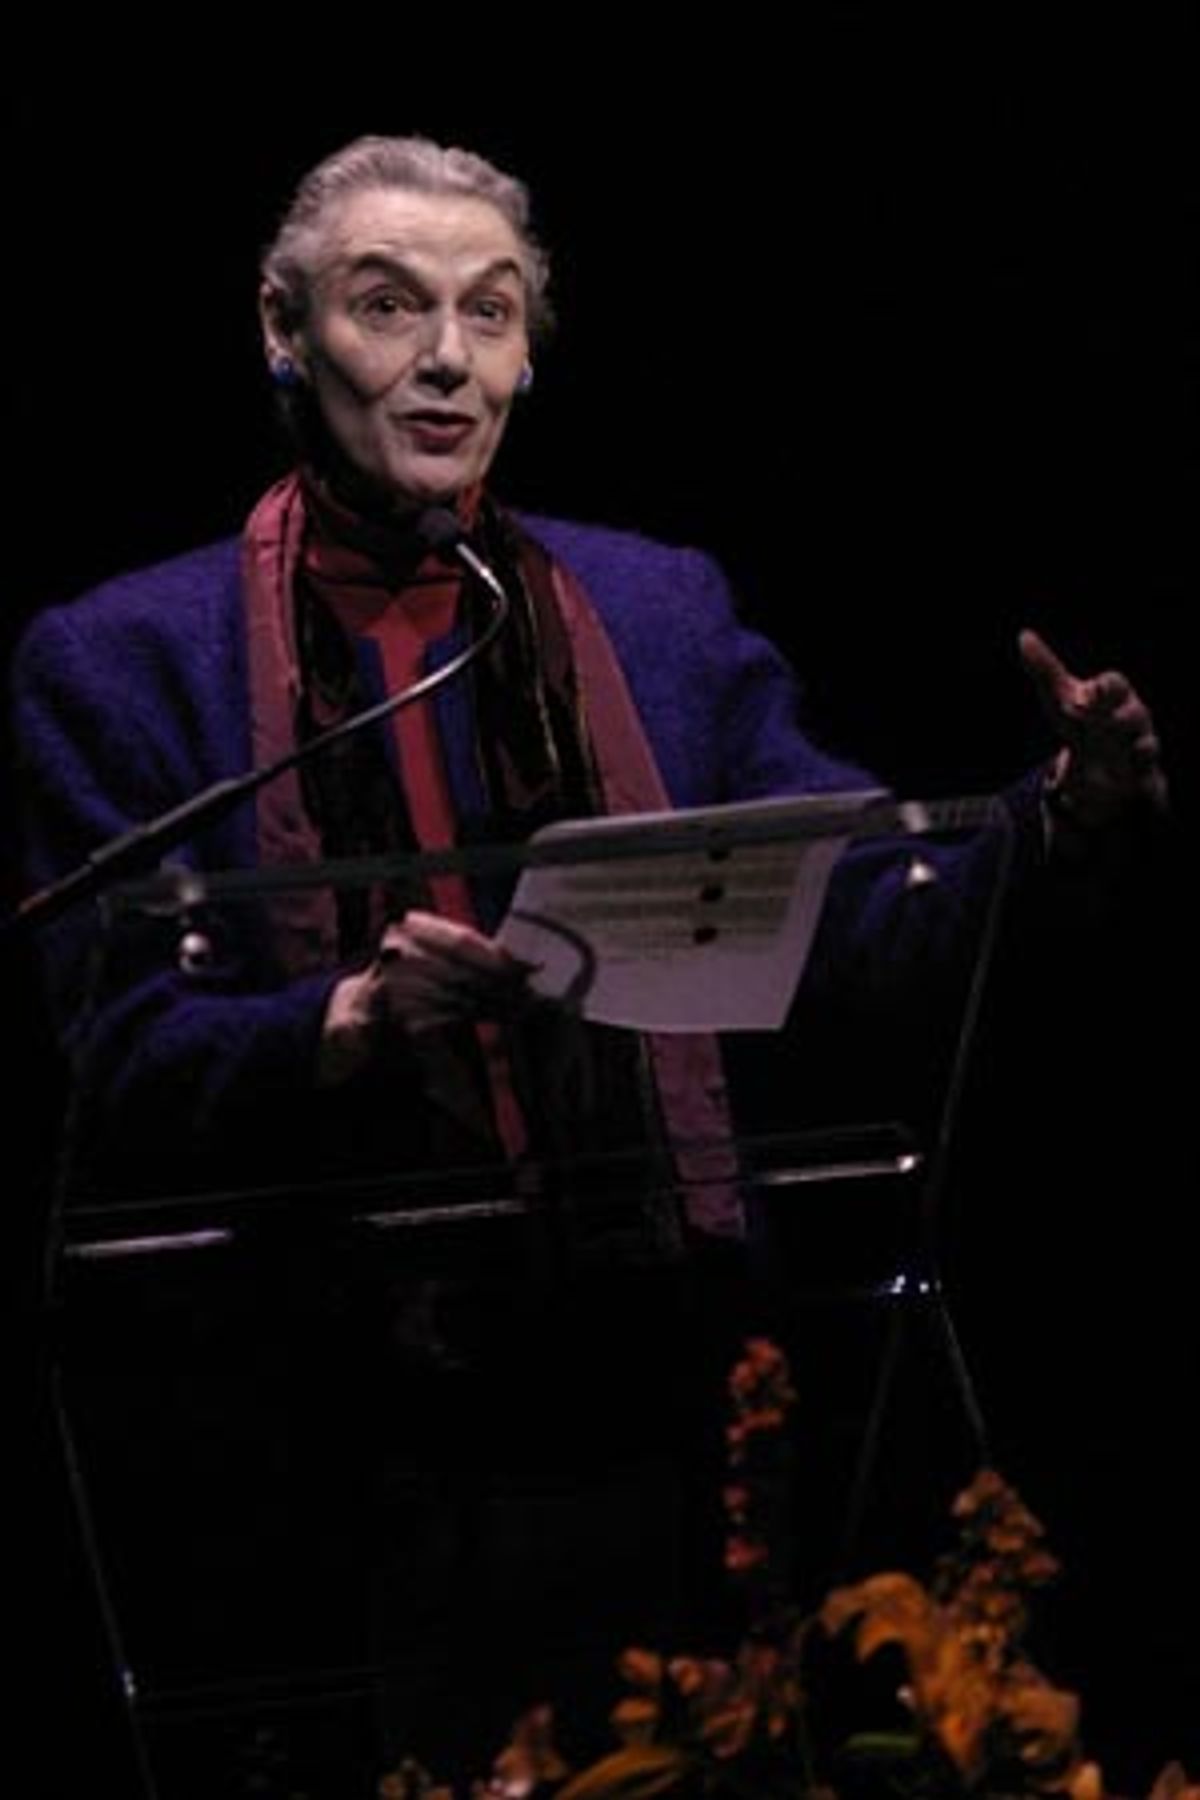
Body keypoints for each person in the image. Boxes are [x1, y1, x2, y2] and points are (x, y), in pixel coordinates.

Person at [8, 134, 1170, 1783]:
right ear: (281, 329)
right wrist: (343, 1020)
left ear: (531, 353)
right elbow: (114, 1041)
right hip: (317, 1411)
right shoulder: (116, 662)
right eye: (385, 305)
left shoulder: (659, 609)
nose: (445, 360)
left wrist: (1049, 817)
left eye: (489, 313)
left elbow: (841, 894)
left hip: (651, 1379)